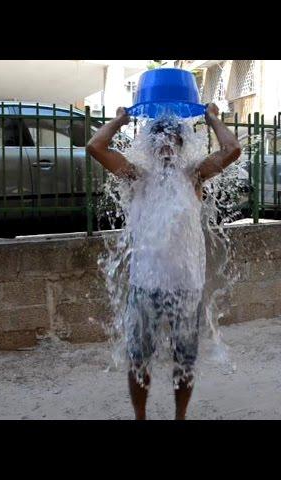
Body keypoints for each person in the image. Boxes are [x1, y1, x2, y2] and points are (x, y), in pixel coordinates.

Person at [87, 103, 241, 420]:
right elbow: (95, 146)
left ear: (182, 146)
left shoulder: (194, 177)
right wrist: (121, 119)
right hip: (145, 285)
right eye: (161, 141)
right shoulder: (136, 177)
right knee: (137, 359)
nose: (167, 146)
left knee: (184, 360)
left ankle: (179, 417)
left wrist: (212, 117)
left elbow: (233, 148)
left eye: (174, 140)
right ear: (151, 146)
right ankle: (140, 417)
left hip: (186, 287)